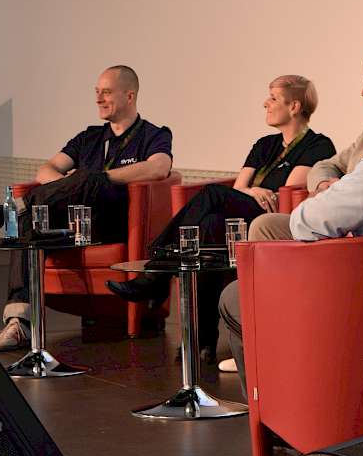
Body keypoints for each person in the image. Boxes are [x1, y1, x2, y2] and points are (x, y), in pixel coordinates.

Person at [218, 44, 363, 392]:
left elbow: (304, 222)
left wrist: (337, 193)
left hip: (361, 289)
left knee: (234, 296)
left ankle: (275, 397)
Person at [104, 76, 334, 364]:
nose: (265, 103)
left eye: (273, 98)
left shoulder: (318, 145)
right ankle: (203, 343)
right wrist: (253, 191)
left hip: (269, 223)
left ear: (295, 106)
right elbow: (240, 187)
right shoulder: (265, 144)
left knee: (212, 194)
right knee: (209, 227)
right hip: (239, 215)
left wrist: (252, 192)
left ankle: (157, 272)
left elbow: (283, 194)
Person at [0, 65, 173, 350]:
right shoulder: (89, 137)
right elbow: (46, 169)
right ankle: (19, 323)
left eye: (106, 92)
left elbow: (159, 167)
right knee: (30, 224)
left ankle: (2, 215)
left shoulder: (153, 134)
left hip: (114, 223)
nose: (98, 99)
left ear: (129, 96)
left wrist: (98, 179)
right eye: (97, 92)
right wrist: (72, 187)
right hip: (72, 219)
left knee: (87, 178)